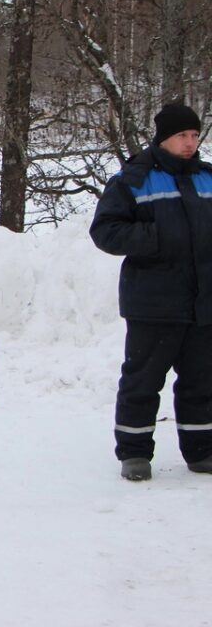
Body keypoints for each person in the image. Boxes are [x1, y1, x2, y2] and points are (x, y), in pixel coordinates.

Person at [90, 102, 212, 481]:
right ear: (163, 138)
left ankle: (202, 450)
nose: (190, 143)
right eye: (182, 136)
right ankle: (134, 452)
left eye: (194, 135)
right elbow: (105, 231)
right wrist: (156, 236)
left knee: (202, 381)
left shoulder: (208, 178)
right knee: (142, 382)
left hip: (203, 303)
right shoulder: (134, 179)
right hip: (153, 303)